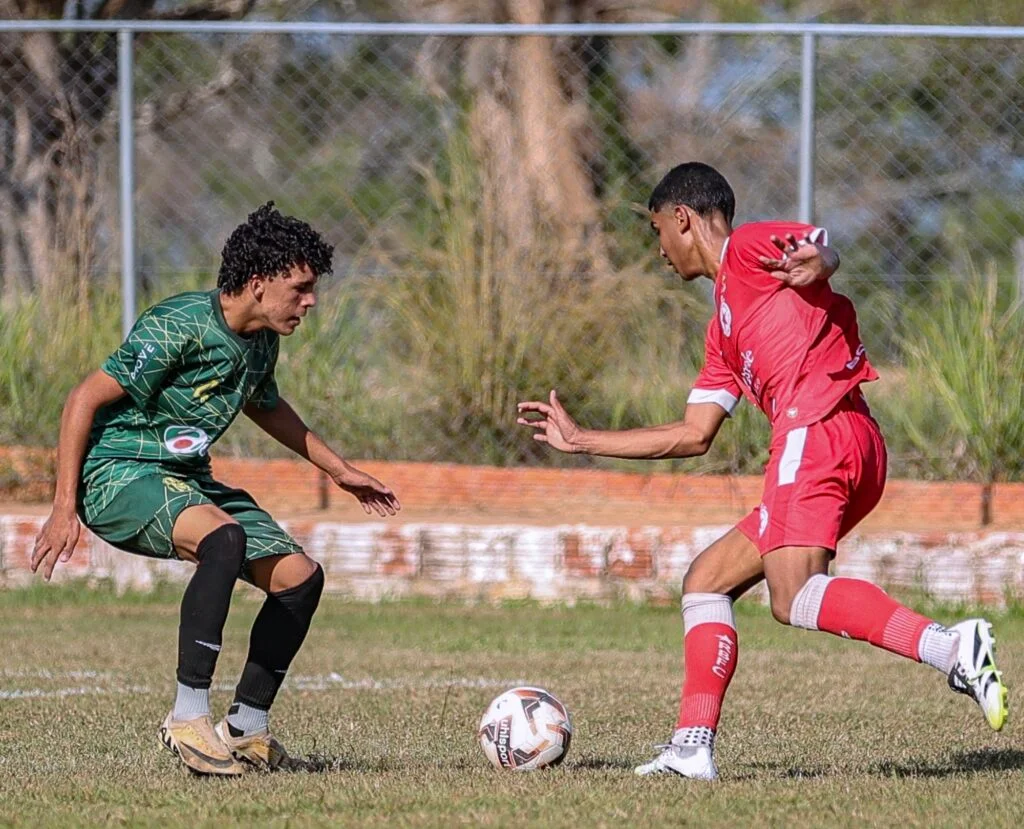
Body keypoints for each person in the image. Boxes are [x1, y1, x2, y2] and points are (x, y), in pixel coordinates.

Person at [517, 162, 1007, 781]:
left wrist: (819, 262)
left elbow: (819, 246)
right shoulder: (721, 331)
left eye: (657, 231)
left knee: (793, 594)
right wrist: (583, 439)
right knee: (706, 581)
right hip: (842, 439)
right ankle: (691, 748)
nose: (659, 249)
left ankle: (952, 646)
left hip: (817, 429)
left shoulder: (747, 249)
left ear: (682, 219)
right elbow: (693, 434)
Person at [31, 202, 401, 776]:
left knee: (299, 579)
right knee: (224, 539)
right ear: (259, 283)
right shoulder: (178, 324)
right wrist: (63, 505)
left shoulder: (262, 340)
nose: (310, 301)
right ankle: (187, 718)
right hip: (117, 473)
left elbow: (266, 405)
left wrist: (339, 470)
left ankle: (246, 727)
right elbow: (82, 399)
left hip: (185, 478)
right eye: (301, 288)